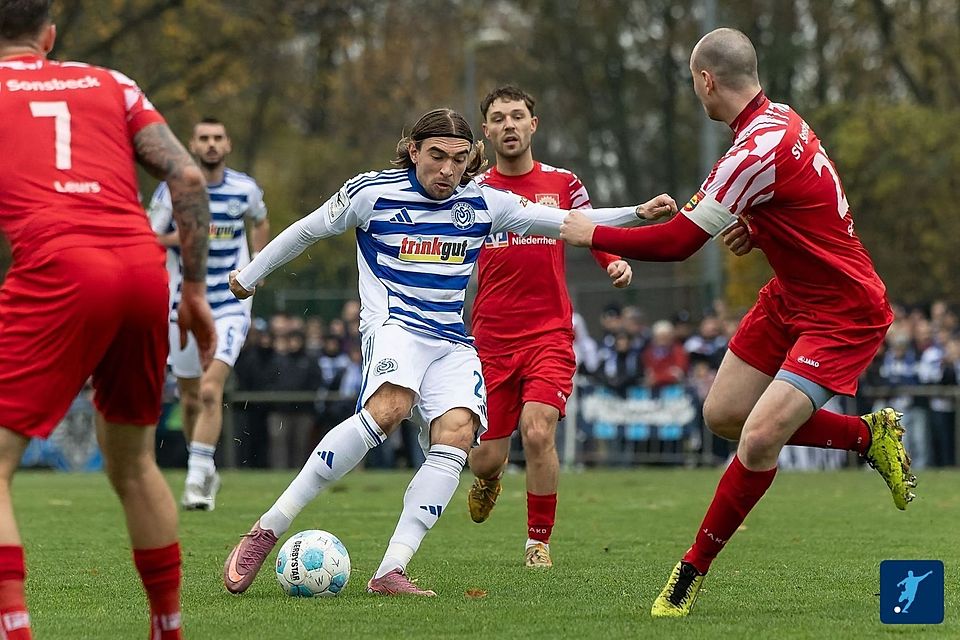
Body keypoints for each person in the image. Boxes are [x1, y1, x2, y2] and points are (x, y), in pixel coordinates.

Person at [221, 107, 677, 597]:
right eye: (436, 156)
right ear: (414, 150)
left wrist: (636, 215)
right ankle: (268, 527)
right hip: (394, 325)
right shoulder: (371, 193)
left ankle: (390, 570)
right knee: (389, 408)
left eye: (459, 160)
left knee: (458, 438)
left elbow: (567, 222)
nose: (447, 170)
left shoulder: (484, 201)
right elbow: (306, 230)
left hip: (450, 340)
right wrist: (250, 275)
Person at [560, 27, 914, 618]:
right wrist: (764, 225)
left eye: (693, 82)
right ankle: (866, 436)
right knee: (723, 415)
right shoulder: (778, 121)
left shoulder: (753, 150)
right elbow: (806, 203)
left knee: (757, 438)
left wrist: (588, 231)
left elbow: (677, 244)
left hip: (842, 310)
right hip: (790, 295)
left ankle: (689, 574)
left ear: (706, 80)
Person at [0, 2, 216, 639]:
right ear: (50, 35)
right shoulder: (111, 83)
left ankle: (13, 628)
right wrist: (195, 291)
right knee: (134, 465)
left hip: (61, 267)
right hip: (143, 269)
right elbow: (185, 176)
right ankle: (168, 627)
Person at [466, 85, 633, 568]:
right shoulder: (474, 191)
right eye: (498, 118)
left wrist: (613, 260)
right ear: (487, 131)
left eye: (517, 116)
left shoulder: (563, 183)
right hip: (490, 340)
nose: (509, 125)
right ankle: (489, 479)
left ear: (533, 125)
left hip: (549, 334)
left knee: (538, 431)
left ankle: (538, 542)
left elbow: (589, 227)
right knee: (485, 458)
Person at [148, 117, 269, 510]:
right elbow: (149, 235)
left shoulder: (244, 188)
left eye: (218, 137)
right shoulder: (174, 188)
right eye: (204, 138)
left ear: (228, 144)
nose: (211, 144)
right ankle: (205, 466)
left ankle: (196, 478)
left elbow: (261, 219)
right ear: (192, 145)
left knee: (209, 389)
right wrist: (188, 235)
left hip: (230, 302)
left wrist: (259, 264)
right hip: (182, 301)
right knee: (187, 399)